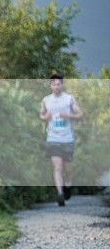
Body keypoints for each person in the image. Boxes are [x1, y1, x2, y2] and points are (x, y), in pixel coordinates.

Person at [39, 73, 83, 206]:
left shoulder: (69, 99)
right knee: (57, 166)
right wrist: (45, 117)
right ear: (50, 86)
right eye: (54, 84)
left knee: (68, 169)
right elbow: (41, 114)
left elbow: (80, 114)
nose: (56, 87)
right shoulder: (46, 100)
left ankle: (68, 185)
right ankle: (60, 193)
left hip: (67, 139)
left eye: (58, 84)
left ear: (62, 85)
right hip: (53, 138)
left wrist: (68, 115)